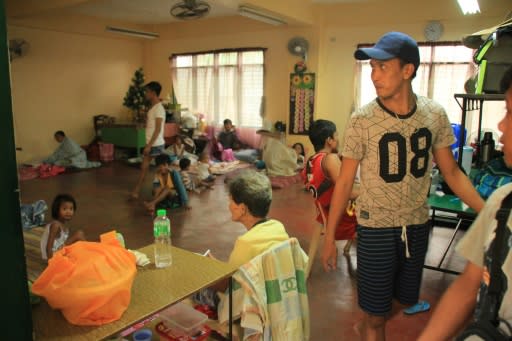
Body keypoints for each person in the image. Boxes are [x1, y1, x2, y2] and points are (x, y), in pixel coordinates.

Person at [320, 32, 485, 341]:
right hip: (375, 227)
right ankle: (372, 326)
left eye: (382, 67)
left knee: (406, 300)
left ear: (407, 70)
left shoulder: (434, 114)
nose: (374, 76)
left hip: (417, 225)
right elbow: (344, 181)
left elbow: (451, 172)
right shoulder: (362, 119)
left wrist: (489, 214)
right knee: (376, 317)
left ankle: (370, 324)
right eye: (371, 67)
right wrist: (330, 237)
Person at [418, 67, 512, 341]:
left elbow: (451, 172)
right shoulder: (502, 202)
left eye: (509, 112)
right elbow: (469, 284)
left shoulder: (433, 115)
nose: (501, 126)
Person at [195, 170, 290, 305]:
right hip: (276, 299)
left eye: (231, 201)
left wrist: (205, 272)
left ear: (242, 209)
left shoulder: (246, 243)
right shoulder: (278, 227)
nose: (229, 206)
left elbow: (229, 286)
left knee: (194, 284)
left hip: (251, 309)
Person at [302, 119, 359, 254]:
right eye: (337, 136)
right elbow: (348, 193)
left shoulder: (311, 161)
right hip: (342, 220)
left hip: (324, 214)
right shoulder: (330, 159)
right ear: (329, 140)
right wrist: (369, 189)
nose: (338, 140)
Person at [130, 81, 166, 199]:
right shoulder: (153, 108)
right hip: (152, 143)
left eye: (147, 91)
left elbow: (158, 129)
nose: (145, 94)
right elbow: (151, 126)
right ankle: (137, 190)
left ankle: (164, 190)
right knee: (144, 167)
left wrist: (149, 145)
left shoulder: (159, 109)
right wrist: (142, 126)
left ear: (153, 93)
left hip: (156, 144)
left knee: (160, 170)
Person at [40, 194, 85, 260]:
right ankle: (89, 253)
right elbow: (48, 247)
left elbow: (61, 242)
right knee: (79, 234)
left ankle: (88, 252)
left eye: (71, 209)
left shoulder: (64, 226)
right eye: (64, 209)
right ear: (57, 210)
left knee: (78, 243)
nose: (68, 212)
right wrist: (51, 263)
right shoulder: (55, 225)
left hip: (59, 251)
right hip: (53, 256)